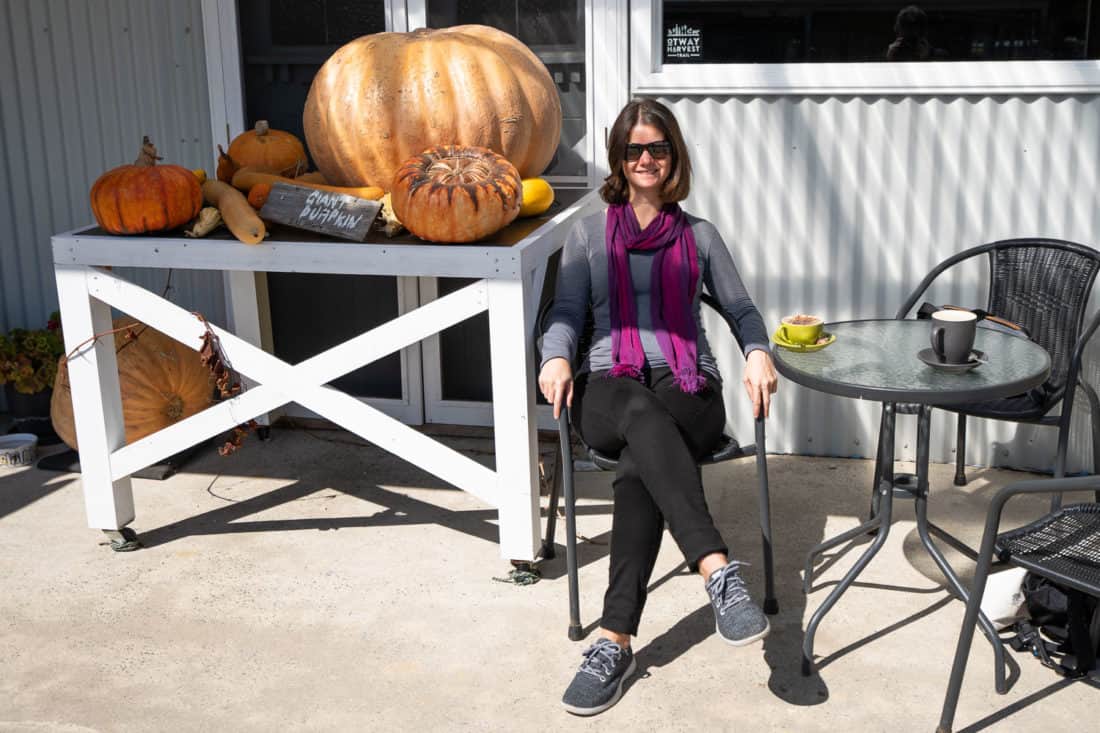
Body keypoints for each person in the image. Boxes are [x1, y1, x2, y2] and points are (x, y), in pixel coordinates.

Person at [539, 98, 778, 716]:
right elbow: (565, 313)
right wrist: (554, 357)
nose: (646, 159)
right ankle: (719, 572)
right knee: (640, 418)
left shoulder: (699, 236)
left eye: (658, 148)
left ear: (674, 157)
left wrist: (756, 351)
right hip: (605, 386)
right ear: (620, 159)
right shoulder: (588, 235)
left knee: (641, 460)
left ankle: (613, 641)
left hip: (688, 384)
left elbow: (742, 309)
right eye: (634, 149)